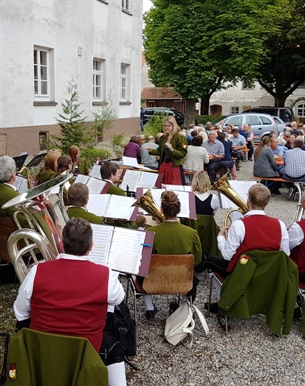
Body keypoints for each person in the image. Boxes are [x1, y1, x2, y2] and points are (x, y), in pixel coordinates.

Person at [13, 218, 127, 386]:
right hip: (87, 351)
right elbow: (119, 299)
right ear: (91, 246)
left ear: (62, 243)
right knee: (115, 346)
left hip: (43, 351)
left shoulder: (37, 271)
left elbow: (20, 312)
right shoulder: (106, 275)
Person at [204, 183, 289, 282]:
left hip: (242, 273)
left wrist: (221, 237)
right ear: (267, 202)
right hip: (268, 274)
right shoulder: (280, 225)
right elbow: (285, 254)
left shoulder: (239, 225)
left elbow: (227, 256)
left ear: (248, 200)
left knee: (210, 260)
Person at [144, 191, 202, 319]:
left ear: (161, 210)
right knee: (192, 274)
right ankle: (183, 307)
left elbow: (144, 260)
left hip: (154, 280)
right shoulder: (191, 233)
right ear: (179, 210)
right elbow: (197, 260)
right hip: (183, 279)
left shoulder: (151, 232)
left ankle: (149, 308)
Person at [148, 116, 188, 185]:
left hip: (174, 167)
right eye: (164, 126)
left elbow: (183, 153)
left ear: (173, 125)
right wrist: (151, 151)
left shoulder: (180, 137)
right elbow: (160, 151)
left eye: (168, 126)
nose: (166, 128)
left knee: (174, 186)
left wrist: (172, 150)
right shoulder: (163, 137)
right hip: (163, 165)